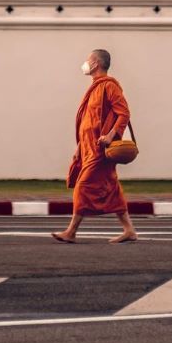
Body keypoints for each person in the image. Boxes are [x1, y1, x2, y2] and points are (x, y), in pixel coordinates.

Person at [52, 48, 137, 244]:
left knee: (82, 187)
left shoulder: (109, 86)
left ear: (96, 64)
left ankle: (71, 231)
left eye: (88, 60)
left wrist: (109, 135)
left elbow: (124, 113)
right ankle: (129, 230)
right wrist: (80, 147)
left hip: (100, 149)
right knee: (112, 189)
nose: (85, 63)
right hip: (88, 148)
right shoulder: (95, 87)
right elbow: (89, 121)